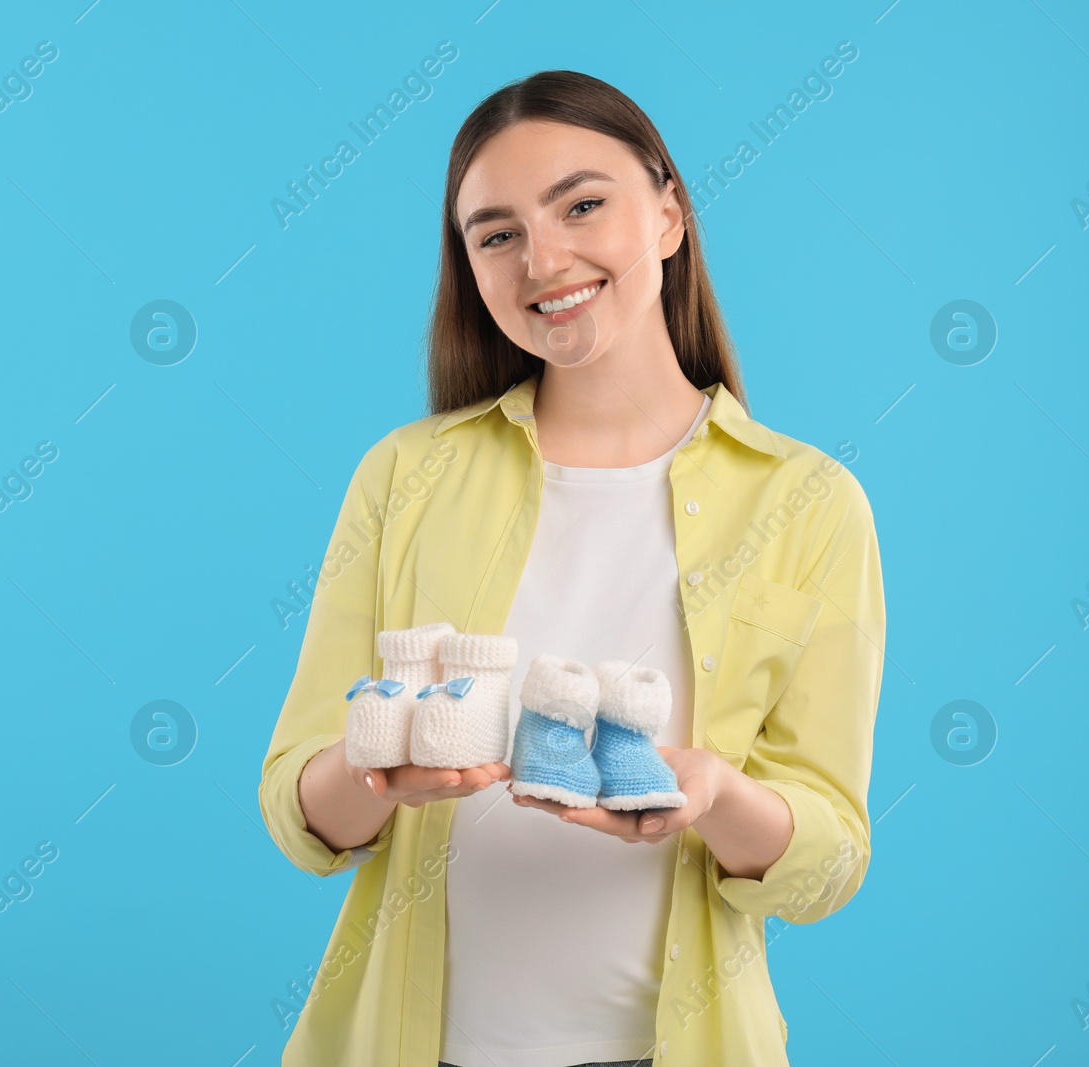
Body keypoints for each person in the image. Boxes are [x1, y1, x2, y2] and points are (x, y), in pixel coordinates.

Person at [258, 69, 885, 1067]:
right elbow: (300, 809)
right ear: (469, 267)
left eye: (582, 204)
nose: (543, 259)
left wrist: (714, 795)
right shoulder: (402, 478)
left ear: (669, 213)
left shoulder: (806, 503)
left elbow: (827, 861)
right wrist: (384, 769)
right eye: (496, 234)